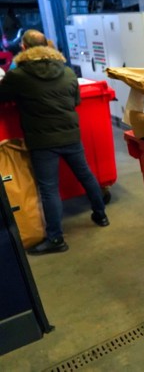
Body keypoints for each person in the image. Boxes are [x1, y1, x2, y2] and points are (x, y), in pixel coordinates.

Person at [0, 30, 109, 255]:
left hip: (42, 140)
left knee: (49, 189)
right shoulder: (67, 71)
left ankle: (56, 239)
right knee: (86, 175)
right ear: (47, 45)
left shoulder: (18, 76)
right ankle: (101, 215)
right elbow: (76, 100)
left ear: (23, 48)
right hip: (70, 134)